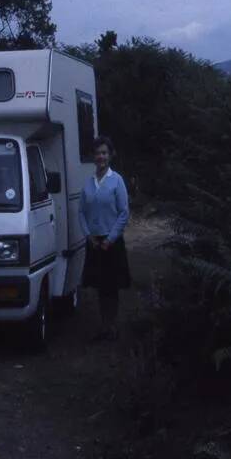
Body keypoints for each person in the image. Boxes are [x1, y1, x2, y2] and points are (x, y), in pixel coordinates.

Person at [79, 135, 131, 341]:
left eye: (104, 153)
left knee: (112, 287)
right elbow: (81, 212)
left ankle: (112, 326)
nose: (101, 156)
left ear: (110, 156)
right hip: (94, 241)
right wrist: (88, 235)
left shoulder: (116, 181)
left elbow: (124, 212)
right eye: (98, 153)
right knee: (101, 287)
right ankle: (104, 326)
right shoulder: (89, 183)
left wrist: (110, 238)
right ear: (94, 156)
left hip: (112, 242)